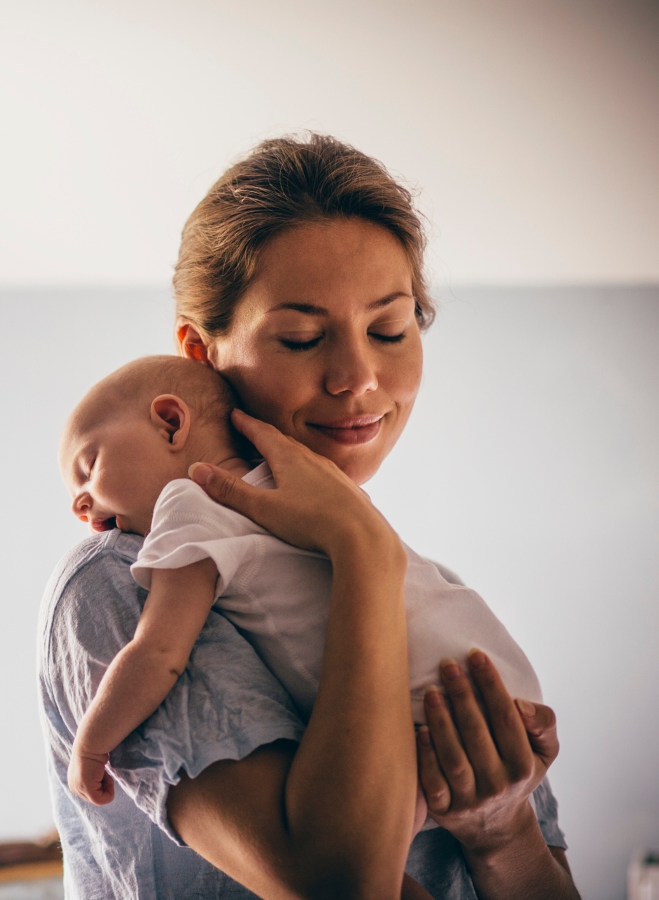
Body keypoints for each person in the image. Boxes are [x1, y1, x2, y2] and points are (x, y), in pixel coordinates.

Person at [37, 133, 581, 899]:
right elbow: (341, 883)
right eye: (300, 337)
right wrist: (362, 551)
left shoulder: (432, 599)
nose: (358, 379)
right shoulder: (123, 577)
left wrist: (502, 834)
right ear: (201, 353)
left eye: (390, 329)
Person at [57, 355, 543, 820]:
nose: (81, 505)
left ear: (169, 422)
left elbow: (159, 651)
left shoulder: (189, 503)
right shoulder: (312, 486)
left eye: (89, 466)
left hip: (426, 696)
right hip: (494, 674)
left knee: (362, 856)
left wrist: (92, 743)